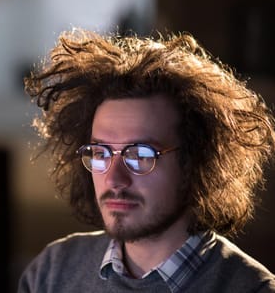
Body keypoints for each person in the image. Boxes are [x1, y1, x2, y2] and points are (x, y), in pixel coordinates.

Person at [19, 29, 275, 292]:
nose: (114, 178)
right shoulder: (53, 271)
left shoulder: (252, 289)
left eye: (140, 155)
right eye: (100, 154)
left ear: (196, 161)